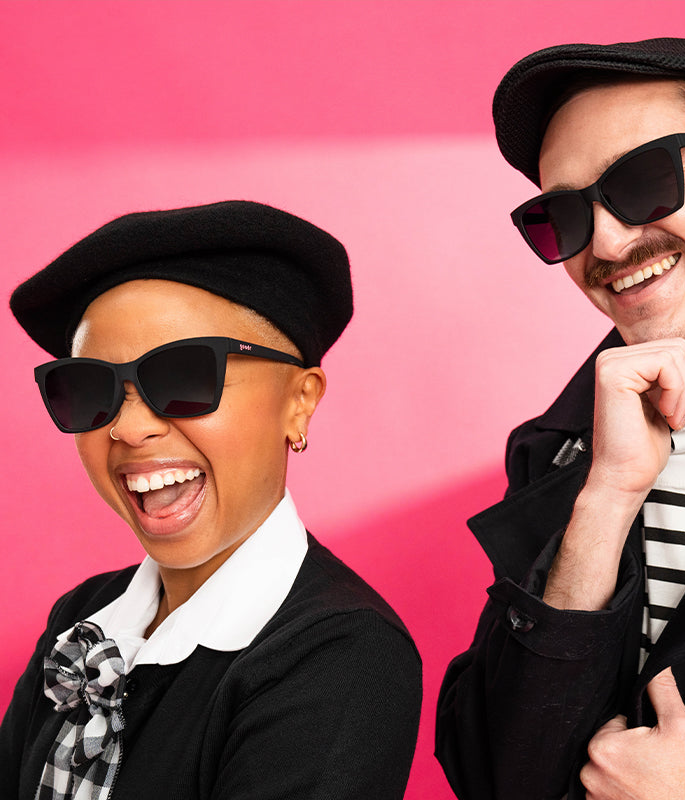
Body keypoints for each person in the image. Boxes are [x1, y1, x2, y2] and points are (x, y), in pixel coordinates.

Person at [435, 38, 685, 800]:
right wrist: (606, 497)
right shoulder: (565, 449)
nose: (604, 242)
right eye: (561, 215)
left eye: (643, 180)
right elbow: (495, 771)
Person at [1, 200, 422, 799]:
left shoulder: (340, 653)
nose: (128, 427)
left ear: (298, 401)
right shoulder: (85, 615)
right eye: (91, 388)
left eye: (183, 377)